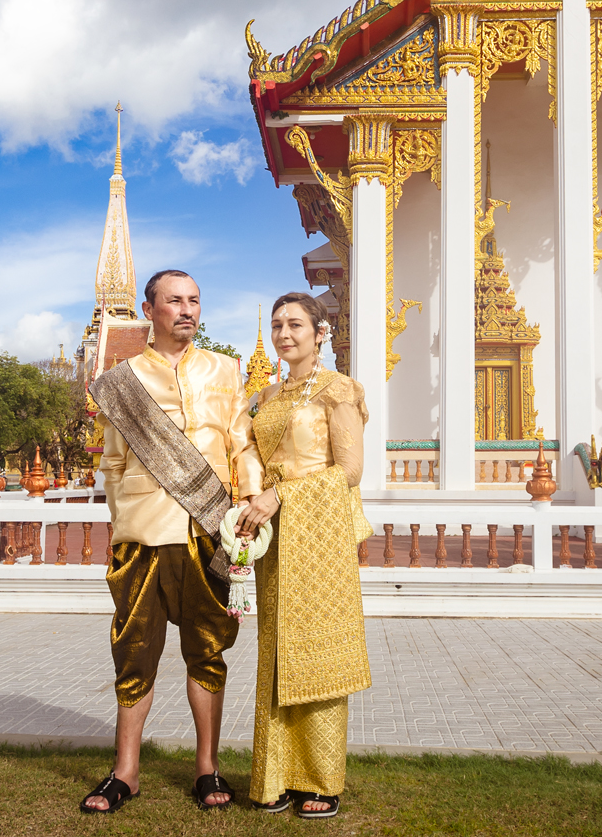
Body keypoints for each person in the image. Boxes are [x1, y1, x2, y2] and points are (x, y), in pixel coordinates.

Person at [82, 269, 261, 814]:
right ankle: (126, 771)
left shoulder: (226, 371)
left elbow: (242, 445)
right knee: (134, 655)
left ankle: (207, 768)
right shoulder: (122, 379)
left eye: (194, 301)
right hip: (142, 537)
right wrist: (124, 517)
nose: (187, 310)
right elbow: (112, 463)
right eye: (174, 301)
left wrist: (250, 506)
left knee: (208, 653)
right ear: (149, 308)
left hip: (210, 533)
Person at [235, 292, 372, 819]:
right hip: (273, 536)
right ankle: (275, 777)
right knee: (276, 653)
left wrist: (283, 495)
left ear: (320, 333)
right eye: (277, 325)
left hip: (319, 536)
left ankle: (321, 780)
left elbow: (350, 470)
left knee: (318, 654)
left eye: (296, 324)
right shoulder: (265, 397)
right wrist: (251, 500)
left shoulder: (339, 390)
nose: (284, 334)